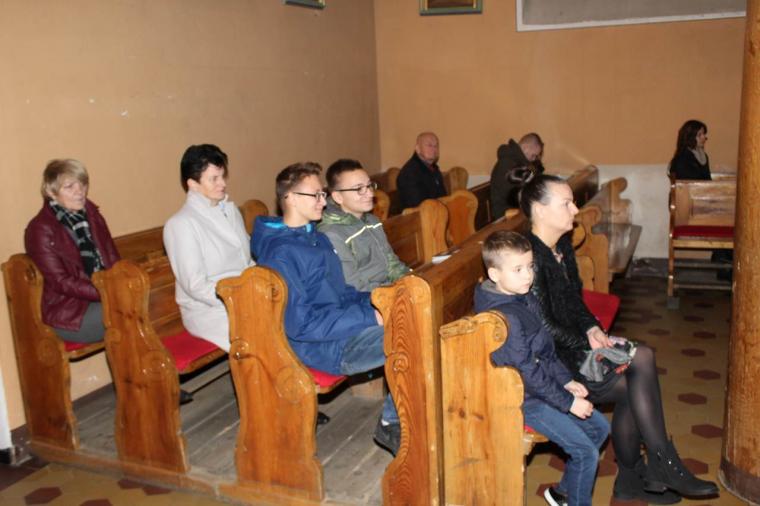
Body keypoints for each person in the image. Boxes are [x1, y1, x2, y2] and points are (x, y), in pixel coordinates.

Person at [519, 174, 719, 503]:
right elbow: (544, 329)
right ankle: (659, 467)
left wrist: (592, 328)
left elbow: (575, 302)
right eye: (566, 203)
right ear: (539, 210)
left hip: (573, 348)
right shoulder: (530, 259)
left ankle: (637, 476)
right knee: (640, 365)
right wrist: (587, 342)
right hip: (555, 363)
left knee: (636, 380)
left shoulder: (561, 246)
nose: (575, 209)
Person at [251, 162, 400, 454]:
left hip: (340, 330)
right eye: (316, 195)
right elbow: (302, 325)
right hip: (320, 347)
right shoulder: (281, 254)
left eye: (322, 194)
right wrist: (369, 315)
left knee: (412, 318)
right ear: (290, 198)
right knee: (409, 336)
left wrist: (379, 301)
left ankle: (410, 414)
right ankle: (391, 423)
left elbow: (341, 293)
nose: (323, 201)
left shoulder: (315, 237)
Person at [474, 230, 610, 506]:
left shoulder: (522, 297)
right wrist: (568, 402)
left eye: (530, 266)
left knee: (599, 428)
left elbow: (546, 351)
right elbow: (527, 373)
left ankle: (562, 493)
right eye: (518, 269)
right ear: (494, 274)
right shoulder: (506, 317)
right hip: (521, 400)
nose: (528, 275)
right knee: (586, 452)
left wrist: (566, 381)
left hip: (537, 388)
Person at [164, 144, 253, 352]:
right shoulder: (181, 224)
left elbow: (247, 261)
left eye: (222, 176)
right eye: (214, 178)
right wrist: (237, 299)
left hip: (243, 296)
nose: (223, 183)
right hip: (208, 310)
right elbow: (195, 285)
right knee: (257, 329)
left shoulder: (231, 212)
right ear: (193, 184)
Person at [25, 159, 120, 343]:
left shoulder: (93, 216)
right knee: (130, 312)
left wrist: (123, 284)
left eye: (82, 184)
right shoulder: (40, 230)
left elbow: (113, 257)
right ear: (51, 192)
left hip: (102, 295)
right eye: (69, 187)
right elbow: (61, 282)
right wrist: (106, 291)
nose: (80, 191)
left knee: (145, 302)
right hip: (69, 312)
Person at [318, 159, 410, 291]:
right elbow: (354, 287)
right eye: (359, 188)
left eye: (369, 185)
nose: (370, 193)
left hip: (388, 291)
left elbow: (392, 264)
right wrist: (394, 292)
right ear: (338, 197)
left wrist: (411, 281)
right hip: (369, 298)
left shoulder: (372, 221)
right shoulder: (331, 234)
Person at [489, 132, 545, 220]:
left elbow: (534, 175)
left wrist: (537, 169)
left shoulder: (522, 162)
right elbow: (514, 197)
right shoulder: (507, 164)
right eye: (533, 155)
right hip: (505, 214)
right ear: (526, 147)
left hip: (516, 210)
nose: (533, 159)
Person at [397, 131, 447, 210]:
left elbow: (443, 197)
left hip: (435, 212)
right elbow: (418, 205)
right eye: (429, 145)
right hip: (417, 215)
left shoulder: (433, 168)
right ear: (417, 148)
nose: (434, 149)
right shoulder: (410, 172)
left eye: (436, 146)